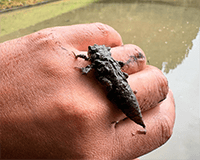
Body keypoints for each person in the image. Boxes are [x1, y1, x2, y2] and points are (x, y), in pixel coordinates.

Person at [0, 23, 175, 160]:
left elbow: (92, 67)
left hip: (118, 86)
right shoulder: (97, 58)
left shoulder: (95, 61)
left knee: (113, 86)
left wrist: (87, 72)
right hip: (120, 84)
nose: (89, 51)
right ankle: (138, 119)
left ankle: (137, 118)